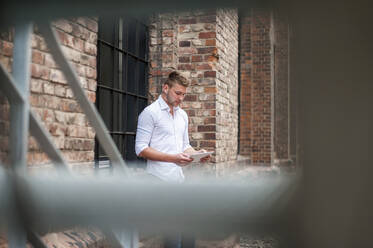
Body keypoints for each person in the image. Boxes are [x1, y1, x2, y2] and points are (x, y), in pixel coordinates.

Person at [135, 71, 210, 247]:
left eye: (184, 94)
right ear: (165, 88)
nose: (181, 98)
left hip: (178, 181)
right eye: (178, 93)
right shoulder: (150, 113)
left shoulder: (182, 115)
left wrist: (198, 154)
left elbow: (185, 146)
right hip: (157, 180)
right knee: (174, 231)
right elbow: (140, 149)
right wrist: (172, 159)